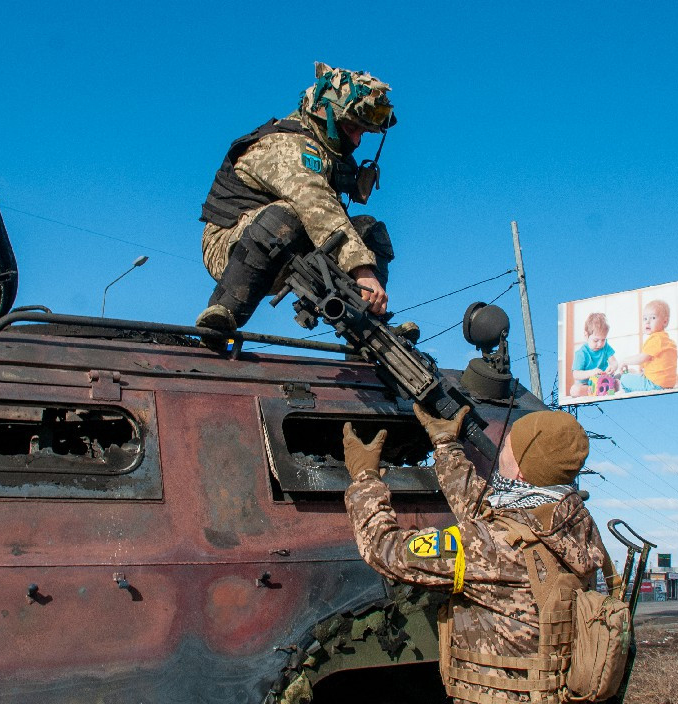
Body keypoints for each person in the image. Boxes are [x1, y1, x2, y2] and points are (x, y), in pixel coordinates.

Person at [342, 406, 608, 703]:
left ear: (520, 469)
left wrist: (364, 478)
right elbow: (487, 518)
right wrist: (446, 445)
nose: (502, 446)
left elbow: (386, 550)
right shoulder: (573, 522)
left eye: (507, 445)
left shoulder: (491, 546)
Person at [196, 62, 416, 341]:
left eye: (364, 132)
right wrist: (362, 270)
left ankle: (369, 325)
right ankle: (221, 317)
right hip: (230, 246)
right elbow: (315, 203)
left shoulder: (330, 155)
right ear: (327, 117)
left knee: (368, 228)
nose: (358, 142)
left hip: (292, 243)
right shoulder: (287, 144)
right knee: (292, 213)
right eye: (352, 129)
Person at [619, 299, 677, 392]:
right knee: (634, 374)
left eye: (653, 318)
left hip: (655, 384)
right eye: (645, 318)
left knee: (624, 379)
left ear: (665, 322)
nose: (647, 322)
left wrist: (625, 361)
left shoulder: (656, 339)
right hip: (668, 384)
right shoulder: (666, 340)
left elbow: (641, 358)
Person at [569, 312, 619, 397]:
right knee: (574, 390)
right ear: (586, 335)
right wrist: (591, 373)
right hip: (587, 385)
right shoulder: (581, 353)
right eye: (596, 340)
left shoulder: (605, 346)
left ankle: (605, 390)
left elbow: (614, 362)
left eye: (603, 340)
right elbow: (576, 374)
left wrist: (613, 367)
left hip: (605, 381)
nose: (600, 344)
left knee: (619, 381)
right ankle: (596, 392)